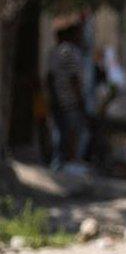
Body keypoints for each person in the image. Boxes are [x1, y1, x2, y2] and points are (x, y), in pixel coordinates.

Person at [46, 19, 89, 169]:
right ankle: (68, 165)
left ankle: (60, 164)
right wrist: (80, 100)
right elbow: (73, 79)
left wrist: (52, 97)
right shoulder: (69, 51)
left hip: (58, 100)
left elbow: (50, 78)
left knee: (60, 133)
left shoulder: (55, 51)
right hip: (70, 101)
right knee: (72, 133)